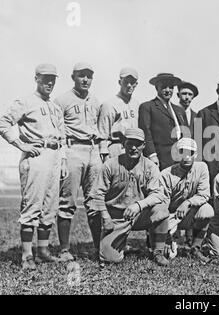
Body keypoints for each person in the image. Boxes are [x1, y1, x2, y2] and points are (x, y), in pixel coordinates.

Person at [0, 64, 67, 270]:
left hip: (54, 156)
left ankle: (43, 251)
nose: (49, 82)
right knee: (32, 206)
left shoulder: (55, 106)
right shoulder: (26, 101)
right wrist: (21, 144)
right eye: (45, 78)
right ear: (36, 78)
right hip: (36, 156)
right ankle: (27, 255)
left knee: (49, 207)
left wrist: (63, 161)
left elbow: (62, 136)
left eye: (53, 79)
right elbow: (3, 123)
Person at [87, 128, 170, 265]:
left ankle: (158, 252)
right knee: (111, 259)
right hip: (116, 217)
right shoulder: (111, 165)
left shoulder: (150, 166)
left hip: (139, 214)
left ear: (143, 145)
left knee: (161, 210)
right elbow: (97, 194)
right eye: (129, 143)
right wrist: (106, 217)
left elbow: (158, 194)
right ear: (123, 143)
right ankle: (114, 244)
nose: (133, 148)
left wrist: (139, 205)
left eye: (137, 144)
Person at [54, 62, 103, 261]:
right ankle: (65, 249)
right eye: (81, 75)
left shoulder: (95, 100)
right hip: (73, 149)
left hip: (93, 149)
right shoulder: (62, 100)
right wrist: (63, 157)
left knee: (96, 201)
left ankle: (99, 247)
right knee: (68, 202)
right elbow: (58, 132)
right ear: (73, 77)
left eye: (89, 76)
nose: (85, 79)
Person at [160, 138, 214, 262]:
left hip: (188, 212)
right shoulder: (166, 174)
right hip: (169, 216)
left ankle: (195, 248)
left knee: (207, 210)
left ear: (195, 154)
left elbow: (204, 195)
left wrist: (188, 202)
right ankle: (168, 239)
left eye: (190, 153)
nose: (186, 157)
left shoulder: (202, 168)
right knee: (168, 255)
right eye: (182, 153)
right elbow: (162, 206)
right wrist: (166, 235)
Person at [138, 73, 188, 170]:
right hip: (161, 159)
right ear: (157, 88)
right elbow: (146, 132)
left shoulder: (179, 110)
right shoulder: (148, 107)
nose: (168, 90)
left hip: (180, 158)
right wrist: (152, 155)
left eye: (171, 87)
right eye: (164, 87)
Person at [98, 67, 140, 160]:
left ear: (136, 84)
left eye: (132, 82)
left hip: (134, 148)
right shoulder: (109, 104)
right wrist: (105, 156)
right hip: (117, 147)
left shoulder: (137, 104)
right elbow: (102, 135)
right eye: (126, 82)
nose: (129, 85)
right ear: (120, 82)